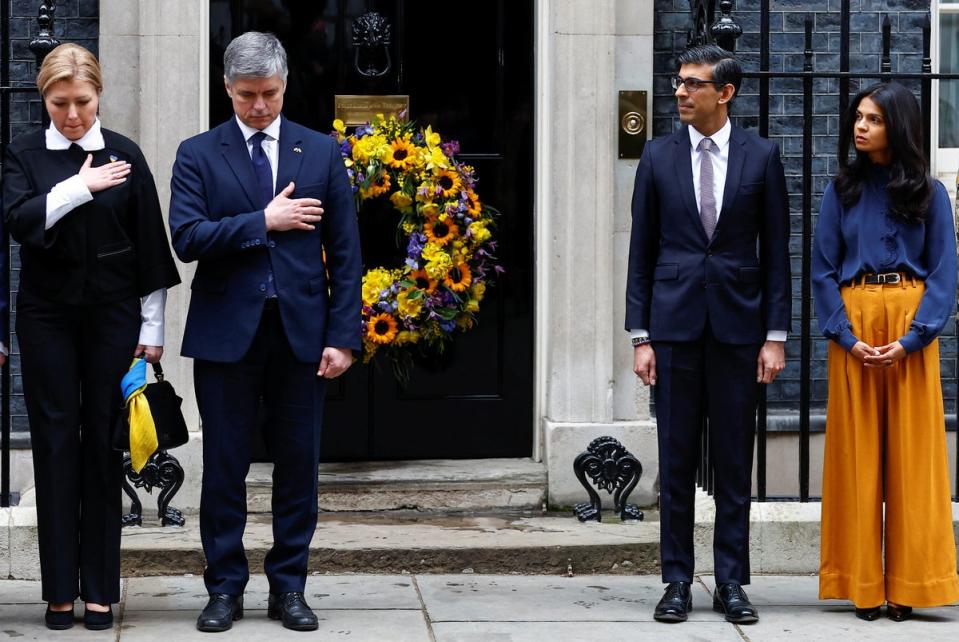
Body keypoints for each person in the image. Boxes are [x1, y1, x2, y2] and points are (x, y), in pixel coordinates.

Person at [168, 32, 362, 633]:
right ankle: (225, 587)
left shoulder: (320, 152)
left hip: (302, 335)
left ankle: (290, 588)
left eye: (270, 94)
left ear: (284, 85)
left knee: (297, 467)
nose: (259, 106)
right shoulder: (198, 153)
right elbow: (187, 237)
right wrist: (263, 221)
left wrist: (344, 335)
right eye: (247, 94)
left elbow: (346, 252)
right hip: (227, 335)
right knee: (224, 465)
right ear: (227, 88)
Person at [1, 43, 180, 631]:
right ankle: (58, 591)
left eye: (81, 101)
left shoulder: (124, 154)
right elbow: (20, 220)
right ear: (43, 98)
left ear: (98, 94)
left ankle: (100, 588)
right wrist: (80, 186)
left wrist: (151, 331)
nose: (71, 114)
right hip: (47, 317)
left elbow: (150, 245)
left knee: (106, 445)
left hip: (112, 318)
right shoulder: (25, 153)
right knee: (54, 444)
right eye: (59, 103)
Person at [625, 44, 791, 624]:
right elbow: (640, 252)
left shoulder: (762, 157)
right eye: (678, 83)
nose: (679, 92)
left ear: (725, 93)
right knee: (674, 459)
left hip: (738, 331)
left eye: (693, 84)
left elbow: (775, 254)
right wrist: (640, 335)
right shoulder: (656, 156)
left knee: (731, 461)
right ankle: (675, 581)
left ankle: (730, 581)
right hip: (672, 329)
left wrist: (775, 336)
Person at [813, 82, 959, 622]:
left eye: (872, 119)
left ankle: (912, 584)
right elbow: (823, 270)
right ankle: (863, 585)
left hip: (909, 325)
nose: (860, 127)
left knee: (913, 462)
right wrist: (847, 339)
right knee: (856, 460)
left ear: (897, 126)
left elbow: (944, 273)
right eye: (858, 117)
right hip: (855, 323)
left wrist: (912, 338)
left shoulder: (930, 193)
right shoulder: (842, 189)